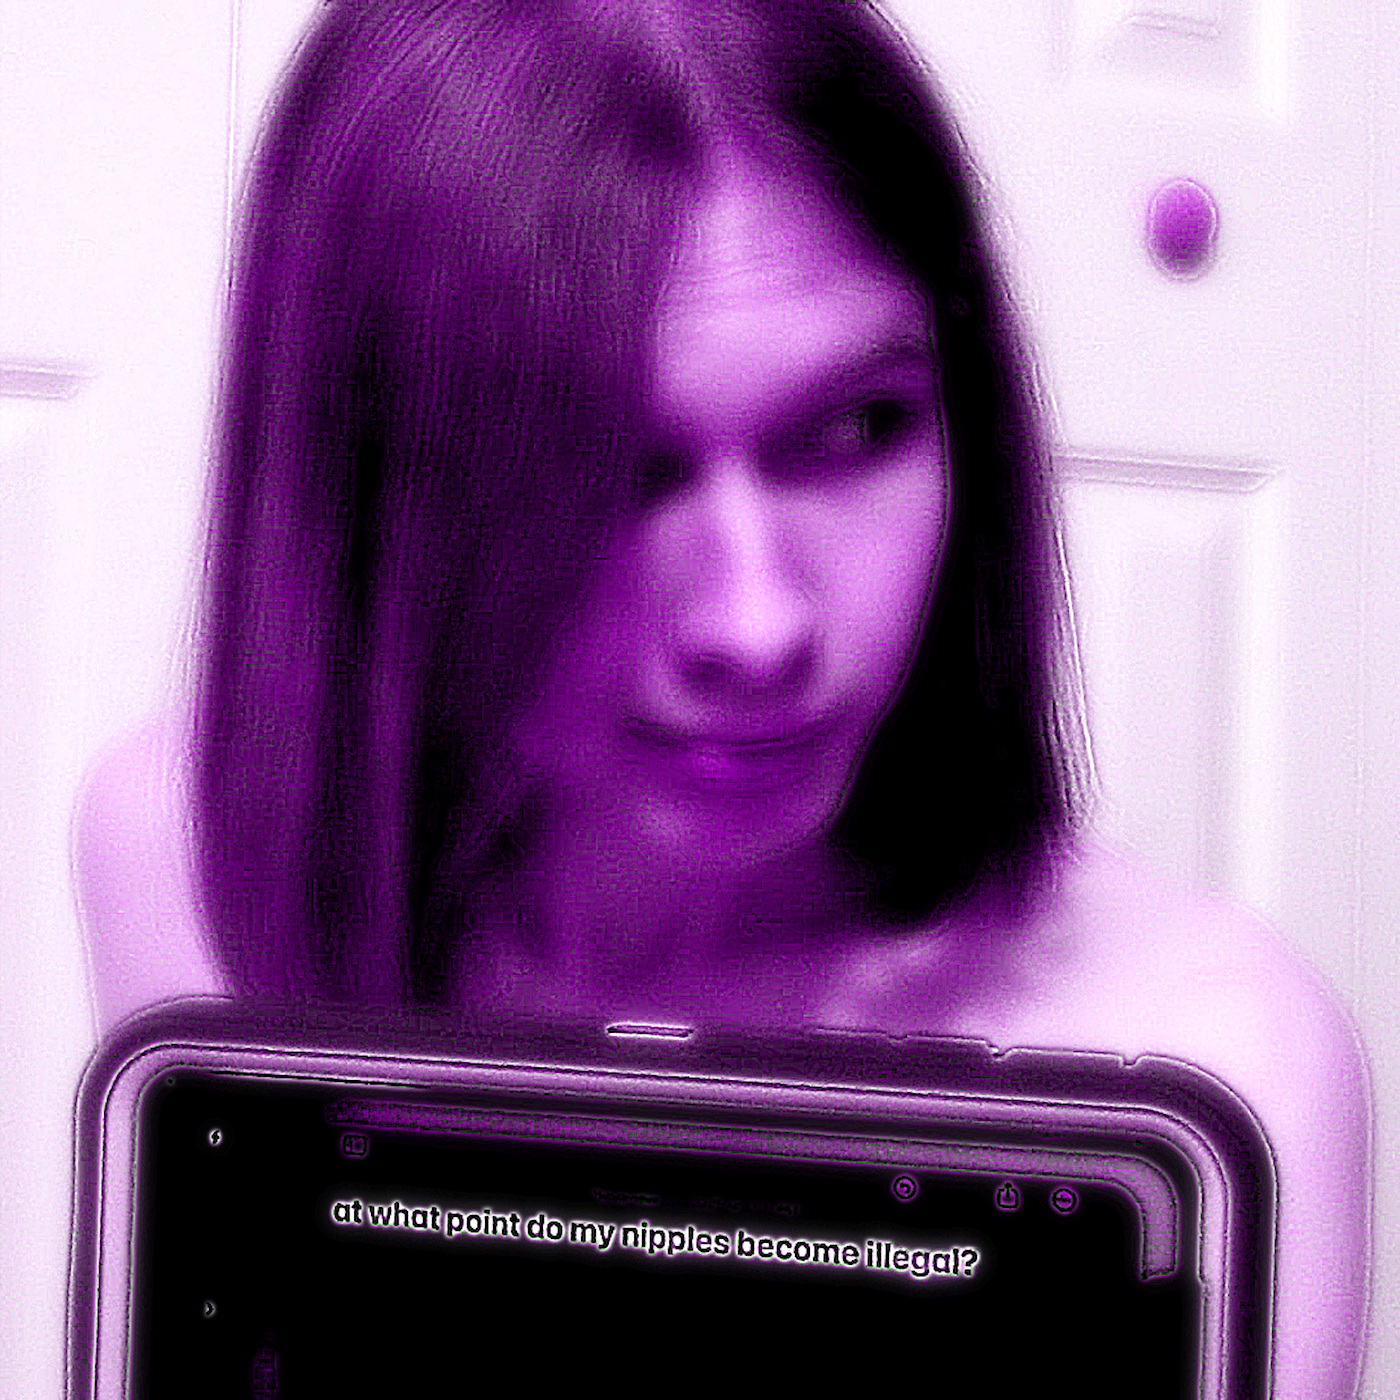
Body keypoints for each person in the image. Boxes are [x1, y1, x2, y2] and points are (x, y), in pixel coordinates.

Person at [74, 0, 1369, 1392]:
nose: (759, 625)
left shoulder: (1207, 1064)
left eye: (854, 431)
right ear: (377, 492)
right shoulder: (191, 851)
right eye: (600, 477)